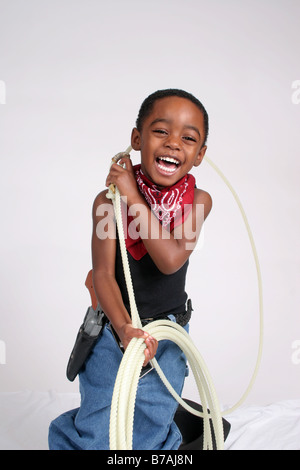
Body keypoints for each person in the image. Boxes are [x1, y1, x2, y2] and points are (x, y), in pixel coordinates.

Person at [48, 88, 212, 450]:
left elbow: (169, 259)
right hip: (114, 329)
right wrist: (124, 329)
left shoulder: (198, 202)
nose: (173, 144)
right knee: (101, 414)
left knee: (154, 413)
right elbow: (104, 275)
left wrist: (133, 198)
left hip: (168, 333)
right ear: (137, 139)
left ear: (199, 155)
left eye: (188, 138)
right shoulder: (108, 203)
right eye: (160, 131)